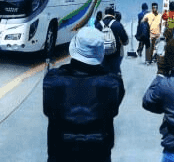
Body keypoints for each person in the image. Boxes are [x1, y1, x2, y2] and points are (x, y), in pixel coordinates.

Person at [43, 26, 125, 161]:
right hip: (98, 153)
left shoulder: (52, 79)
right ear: (100, 52)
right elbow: (113, 110)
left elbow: (48, 111)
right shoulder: (113, 82)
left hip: (60, 152)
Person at [95, 7, 129, 75]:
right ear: (113, 14)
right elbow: (125, 41)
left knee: (103, 72)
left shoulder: (98, 25)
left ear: (105, 14)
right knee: (115, 72)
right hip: (116, 54)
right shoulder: (117, 24)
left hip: (102, 55)